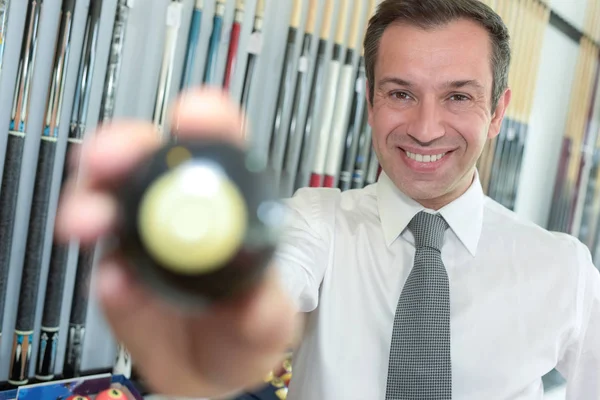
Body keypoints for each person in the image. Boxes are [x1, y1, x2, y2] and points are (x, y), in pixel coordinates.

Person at [54, 0, 600, 399]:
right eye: (400, 93)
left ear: (498, 111)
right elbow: (269, 280)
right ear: (370, 100)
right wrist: (212, 294)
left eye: (458, 96)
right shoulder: (316, 222)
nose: (426, 128)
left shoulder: (564, 269)